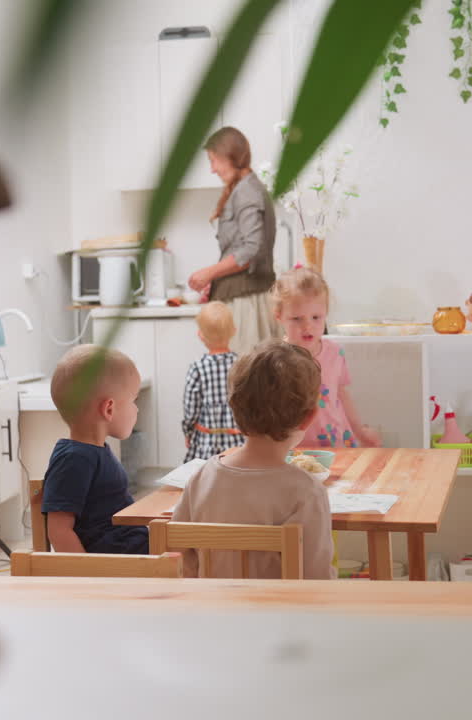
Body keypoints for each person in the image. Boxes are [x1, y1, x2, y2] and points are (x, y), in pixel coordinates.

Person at [170, 340, 335, 579]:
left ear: (234, 407)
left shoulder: (201, 477)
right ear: (309, 418)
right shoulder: (306, 492)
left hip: (209, 612)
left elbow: (179, 556)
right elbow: (316, 579)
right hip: (278, 615)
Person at [41, 345, 148, 554]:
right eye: (133, 401)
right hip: (117, 559)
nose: (136, 409)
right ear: (109, 409)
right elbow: (58, 531)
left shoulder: (94, 451)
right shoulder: (74, 459)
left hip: (130, 545)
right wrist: (88, 577)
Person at [187, 126, 280, 354]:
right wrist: (217, 278)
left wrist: (210, 272)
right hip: (241, 298)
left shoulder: (246, 191)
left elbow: (251, 249)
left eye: (214, 160)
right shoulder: (243, 189)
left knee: (243, 378)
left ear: (231, 156)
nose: (212, 169)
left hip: (245, 303)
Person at [272, 268, 381, 449]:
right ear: (279, 317)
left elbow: (342, 395)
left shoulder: (335, 353)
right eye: (297, 319)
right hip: (293, 447)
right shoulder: (276, 359)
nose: (308, 326)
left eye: (316, 317)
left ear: (326, 313)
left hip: (337, 442)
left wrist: (360, 431)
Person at [182, 301, 244, 462]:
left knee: (205, 479)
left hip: (206, 442)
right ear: (234, 331)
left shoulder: (198, 367)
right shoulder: (242, 365)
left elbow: (190, 408)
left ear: (200, 334)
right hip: (237, 442)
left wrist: (188, 432)